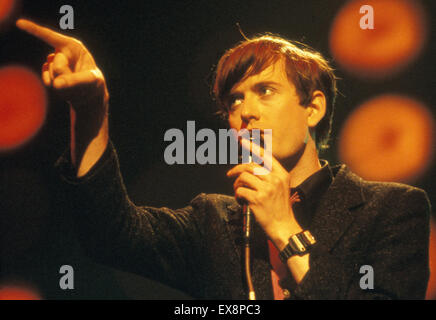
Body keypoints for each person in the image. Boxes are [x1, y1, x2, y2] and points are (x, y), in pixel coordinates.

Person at [16, 19, 430, 299]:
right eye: (235, 100)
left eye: (265, 91)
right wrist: (91, 110)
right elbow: (109, 234)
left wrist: (285, 230)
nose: (245, 111)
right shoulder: (214, 222)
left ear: (313, 108)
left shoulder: (393, 209)